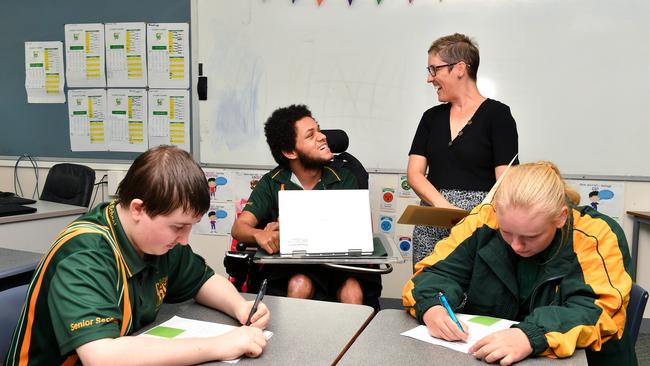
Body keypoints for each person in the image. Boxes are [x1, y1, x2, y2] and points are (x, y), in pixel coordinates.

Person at [5, 146, 270, 366]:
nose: (184, 239)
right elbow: (102, 356)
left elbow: (202, 281)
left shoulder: (156, 241)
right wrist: (219, 346)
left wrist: (240, 306)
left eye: (190, 226)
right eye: (178, 226)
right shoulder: (84, 254)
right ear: (138, 209)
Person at [402, 161, 636, 366]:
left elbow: (598, 310)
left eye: (531, 236)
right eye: (506, 232)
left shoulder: (596, 234)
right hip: (495, 356)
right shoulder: (485, 219)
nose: (516, 245)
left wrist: (530, 335)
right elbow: (433, 273)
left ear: (561, 216)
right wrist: (432, 306)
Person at [231, 104, 381, 308]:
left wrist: (292, 228)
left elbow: (358, 230)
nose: (322, 137)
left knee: (352, 290)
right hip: (294, 267)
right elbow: (239, 228)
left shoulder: (345, 177)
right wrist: (260, 234)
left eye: (318, 130)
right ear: (290, 152)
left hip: (340, 264)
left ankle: (353, 340)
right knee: (299, 284)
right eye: (311, 135)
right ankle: (292, 340)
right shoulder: (272, 182)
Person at [407, 33, 519, 267]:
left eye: (434, 69)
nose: (430, 78)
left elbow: (506, 183)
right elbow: (415, 174)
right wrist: (444, 208)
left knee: (475, 296)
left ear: (459, 68)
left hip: (479, 227)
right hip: (432, 227)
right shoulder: (430, 118)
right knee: (427, 294)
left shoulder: (498, 116)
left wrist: (471, 219)